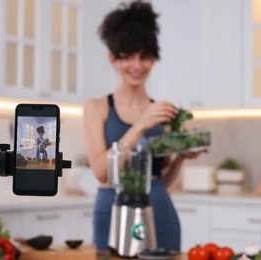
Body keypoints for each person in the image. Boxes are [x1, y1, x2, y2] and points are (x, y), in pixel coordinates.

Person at [83, 0, 205, 252]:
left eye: (145, 57)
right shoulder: (97, 107)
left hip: (159, 208)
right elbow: (100, 171)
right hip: (112, 209)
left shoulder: (164, 114)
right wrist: (140, 124)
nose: (137, 66)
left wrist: (181, 157)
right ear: (113, 59)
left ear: (154, 59)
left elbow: (162, 179)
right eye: (127, 57)